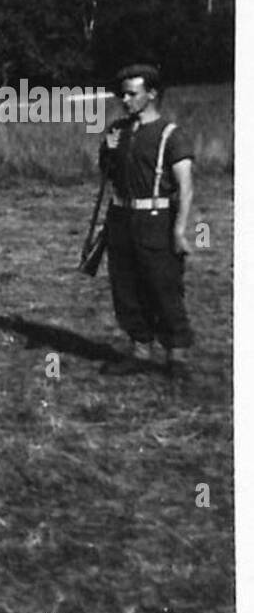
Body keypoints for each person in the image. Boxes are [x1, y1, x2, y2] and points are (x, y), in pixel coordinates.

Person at [98, 63, 195, 380]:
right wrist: (107, 152)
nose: (125, 100)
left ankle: (176, 356)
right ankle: (140, 349)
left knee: (162, 286)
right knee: (125, 287)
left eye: (132, 94)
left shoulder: (171, 134)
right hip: (121, 218)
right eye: (122, 94)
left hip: (156, 218)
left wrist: (180, 230)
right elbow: (108, 174)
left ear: (151, 94)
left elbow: (186, 187)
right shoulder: (117, 131)